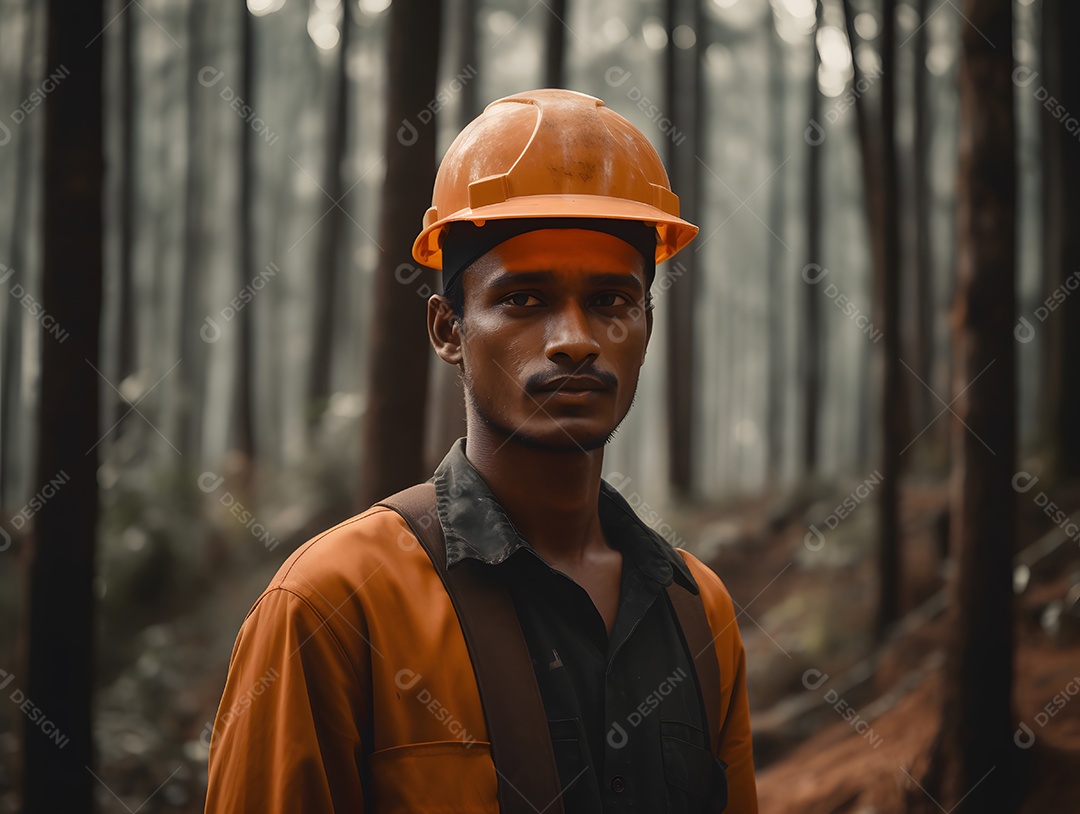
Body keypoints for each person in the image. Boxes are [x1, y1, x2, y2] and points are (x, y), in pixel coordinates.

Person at [204, 88, 757, 813]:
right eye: (524, 299)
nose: (574, 339)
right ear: (448, 330)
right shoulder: (335, 605)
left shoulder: (698, 611)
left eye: (611, 301)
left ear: (645, 327)